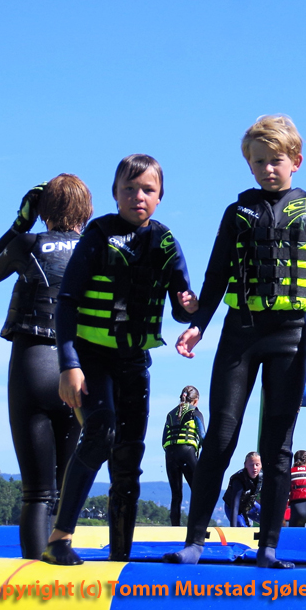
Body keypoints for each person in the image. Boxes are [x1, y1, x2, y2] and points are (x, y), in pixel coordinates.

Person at [165, 114, 306, 570]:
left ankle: (268, 548)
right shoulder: (237, 213)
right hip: (240, 334)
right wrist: (198, 324)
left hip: (290, 337)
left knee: (277, 445)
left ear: (296, 161)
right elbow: (216, 274)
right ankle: (194, 542)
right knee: (221, 437)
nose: (267, 169)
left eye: (275, 160)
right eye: (258, 162)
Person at [41, 155, 198, 566]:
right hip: (91, 359)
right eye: (129, 188)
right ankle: (59, 539)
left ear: (160, 197)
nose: (137, 196)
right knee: (101, 431)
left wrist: (188, 307)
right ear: (115, 194)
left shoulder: (165, 242)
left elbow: (180, 304)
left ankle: (120, 556)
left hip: (134, 363)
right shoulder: (98, 235)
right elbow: (67, 302)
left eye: (147, 189)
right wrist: (69, 364)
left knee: (128, 460)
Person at [0, 175, 92, 559]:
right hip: (76, 370)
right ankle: (59, 565)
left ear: (42, 210)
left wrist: (19, 224)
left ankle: (33, 580)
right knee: (62, 489)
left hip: (32, 365)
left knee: (37, 493)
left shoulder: (28, 243)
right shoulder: (97, 248)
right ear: (86, 211)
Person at [162, 385, 205, 526]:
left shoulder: (170, 414)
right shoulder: (195, 413)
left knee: (176, 494)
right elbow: (203, 436)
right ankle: (196, 528)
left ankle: (175, 527)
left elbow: (164, 440)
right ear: (196, 400)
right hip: (188, 453)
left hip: (170, 455)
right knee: (198, 491)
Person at [224, 452, 263, 527]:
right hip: (233, 508)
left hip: (250, 504)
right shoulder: (238, 480)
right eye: (251, 465)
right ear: (245, 465)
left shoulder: (262, 477)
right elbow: (235, 505)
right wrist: (233, 527)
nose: (254, 468)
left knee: (269, 520)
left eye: (257, 465)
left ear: (261, 465)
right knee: (241, 526)